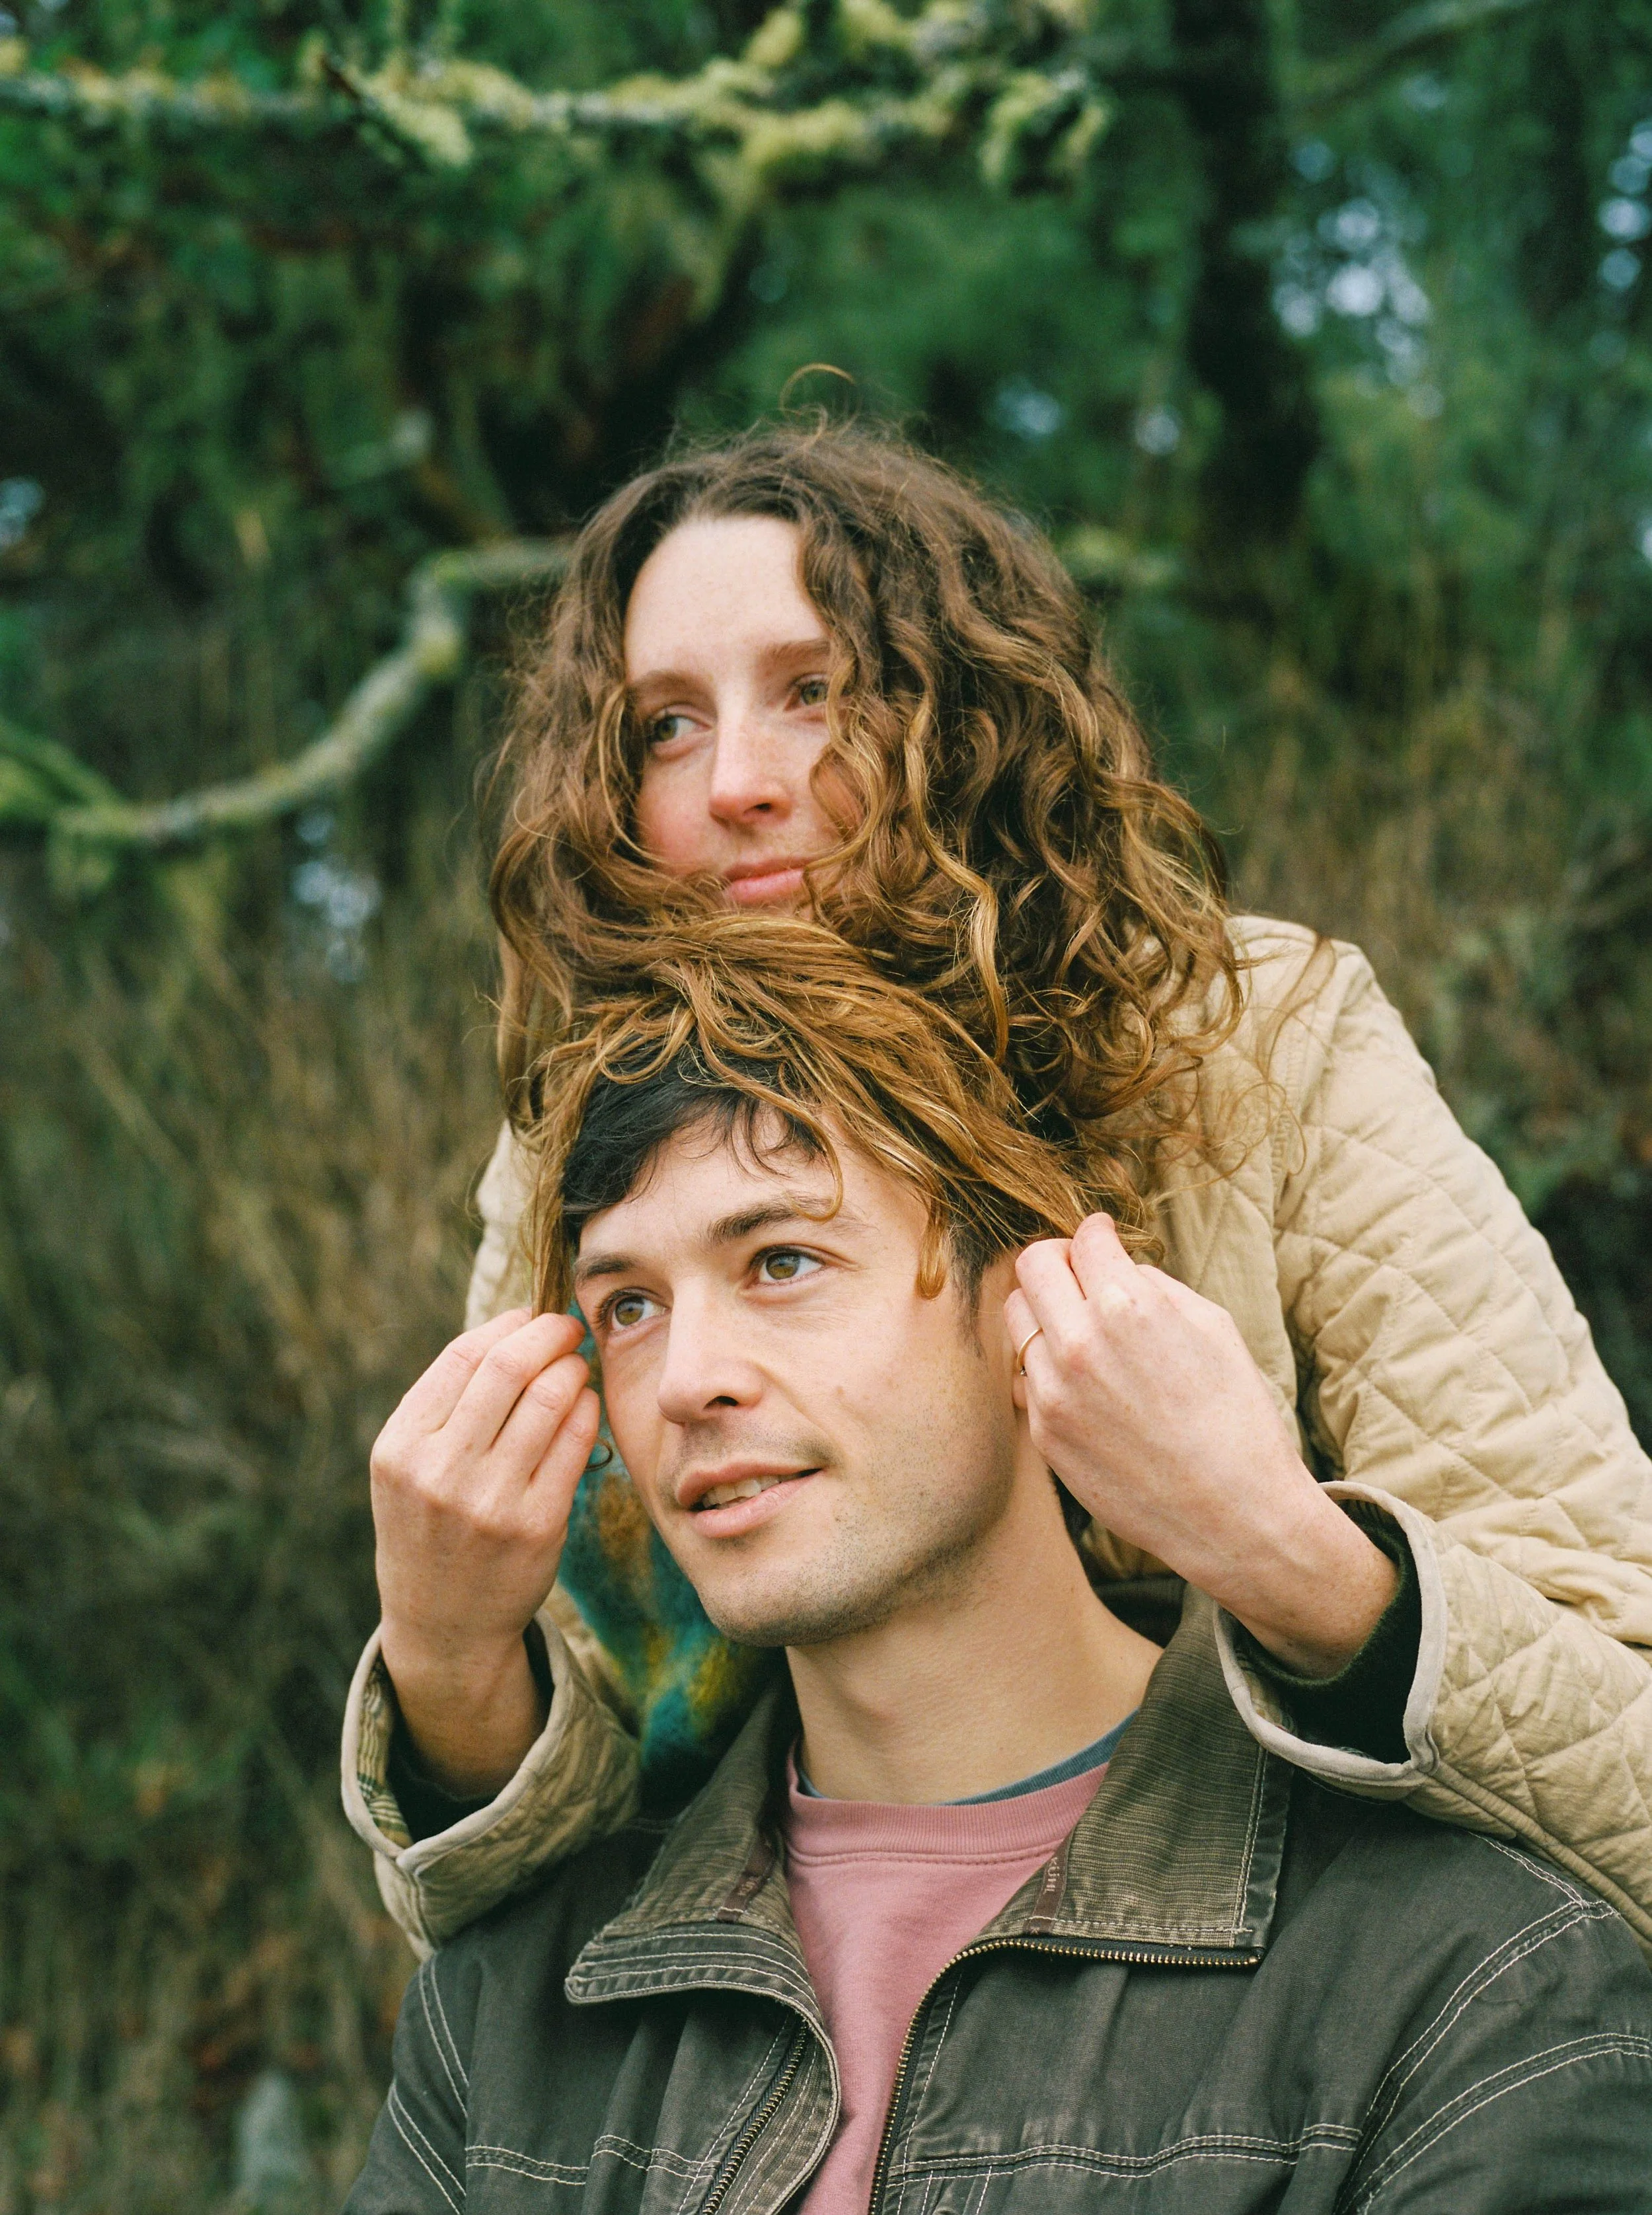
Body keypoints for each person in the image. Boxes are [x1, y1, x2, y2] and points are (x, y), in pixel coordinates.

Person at [342, 424, 1652, 1962]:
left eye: (814, 690)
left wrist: (1273, 1547)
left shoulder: (1256, 1047)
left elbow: (1615, 1724)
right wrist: (442, 1664)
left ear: (962, 711)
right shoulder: (575, 1139)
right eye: (664, 727)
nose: (742, 783)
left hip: (1301, 2004)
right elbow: (505, 1952)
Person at [346, 924, 1652, 2215]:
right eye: (627, 1303)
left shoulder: (1464, 1979)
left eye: (783, 1259)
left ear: (1027, 1303)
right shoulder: (506, 2013)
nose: (686, 1378)